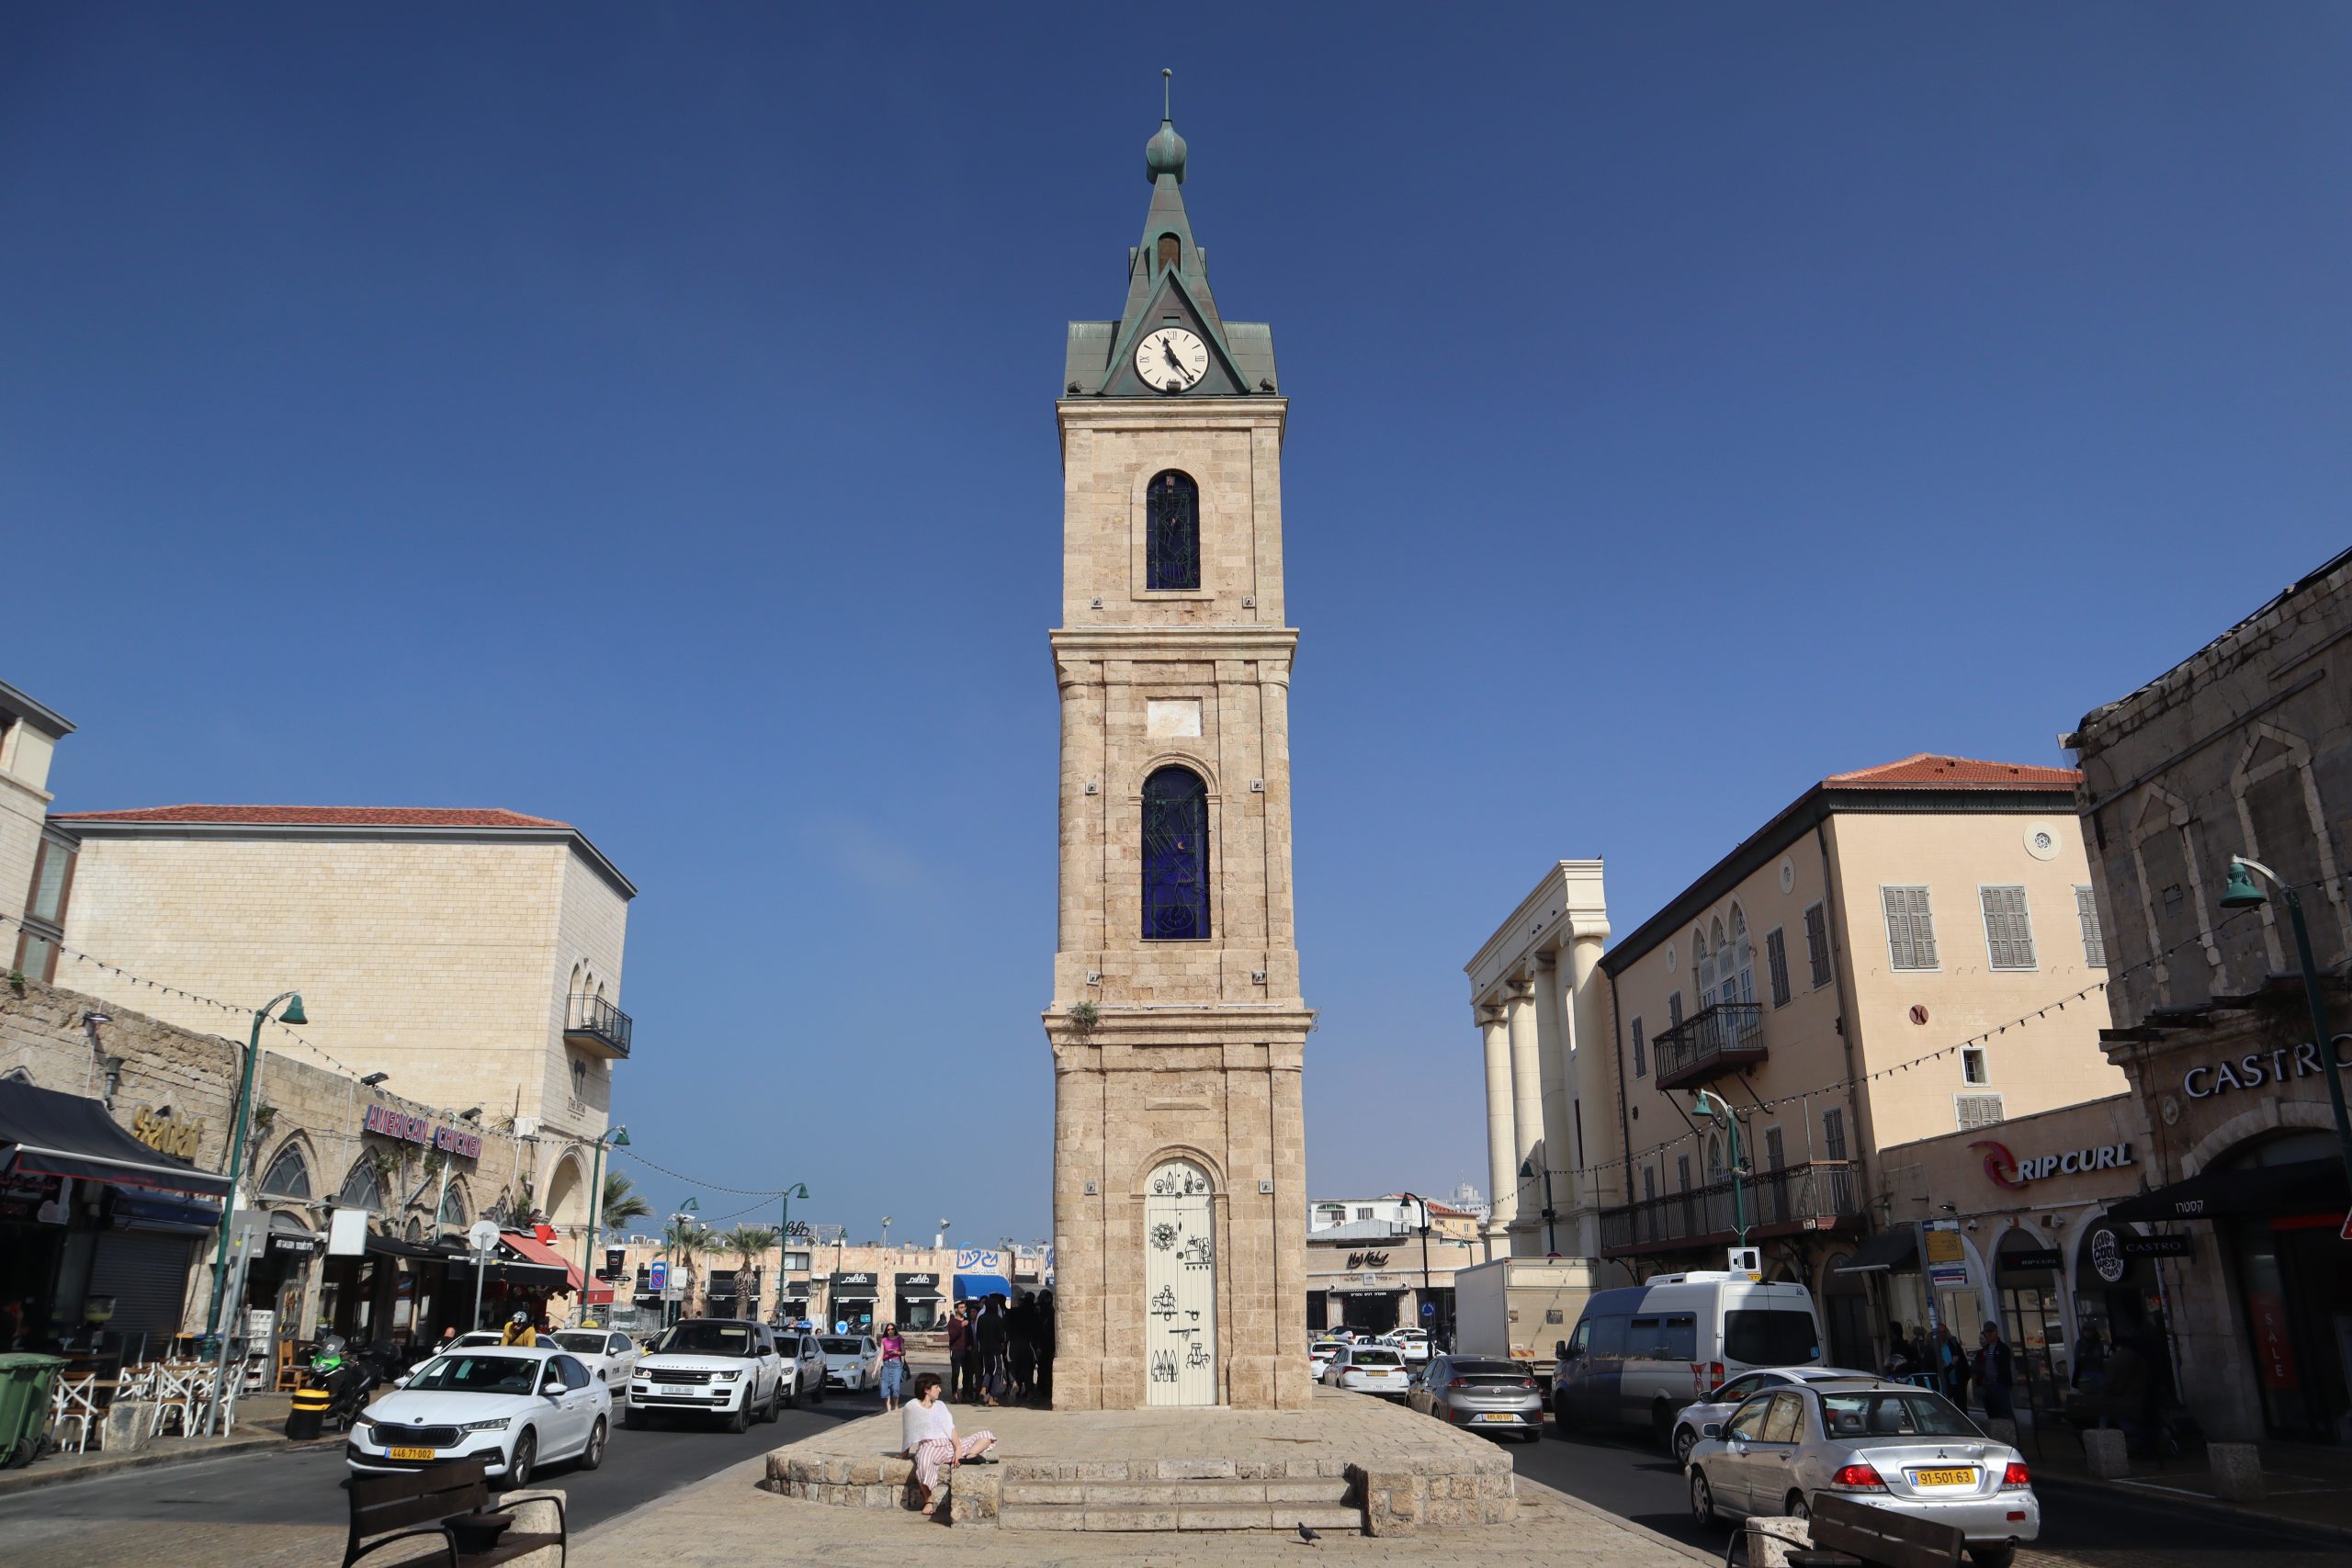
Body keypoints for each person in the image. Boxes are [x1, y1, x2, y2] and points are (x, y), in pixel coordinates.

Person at [899, 1371, 995, 1516]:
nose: (940, 1390)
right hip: (929, 1446)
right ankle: (929, 1500)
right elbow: (908, 1431)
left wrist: (958, 1449)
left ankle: (969, 1456)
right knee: (924, 1462)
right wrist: (904, 1454)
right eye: (937, 1387)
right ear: (926, 1389)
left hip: (949, 1445)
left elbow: (950, 1428)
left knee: (986, 1435)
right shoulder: (911, 1407)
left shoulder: (940, 1405)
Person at [1974, 1324, 2015, 1421]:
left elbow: (2004, 1366)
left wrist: (2000, 1381)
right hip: (1988, 1385)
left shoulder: (2002, 1348)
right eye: (1987, 1332)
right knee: (1993, 1413)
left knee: (2005, 1412)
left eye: (1991, 1332)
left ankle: (2011, 1434)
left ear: (1996, 1332)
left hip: (2000, 1385)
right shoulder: (1985, 1350)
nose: (1989, 1334)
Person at [947, 1301, 978, 1403]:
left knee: (967, 1373)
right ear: (956, 1309)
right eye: (961, 1307)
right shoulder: (952, 1322)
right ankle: (954, 1394)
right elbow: (952, 1335)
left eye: (964, 1307)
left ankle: (965, 1395)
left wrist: (971, 1346)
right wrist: (961, 1326)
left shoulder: (967, 1321)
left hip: (966, 1351)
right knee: (955, 1373)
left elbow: (970, 1336)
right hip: (956, 1350)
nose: (963, 1309)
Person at [877, 1322, 908, 1411]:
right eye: (888, 1329)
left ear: (895, 1329)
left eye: (892, 1329)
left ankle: (896, 1405)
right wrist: (876, 1369)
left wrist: (896, 1353)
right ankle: (888, 1407)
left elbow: (904, 1352)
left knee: (895, 1387)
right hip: (886, 1364)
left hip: (896, 1364)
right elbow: (880, 1354)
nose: (890, 1331)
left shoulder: (899, 1339)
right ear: (886, 1331)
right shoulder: (884, 1340)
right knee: (885, 1386)